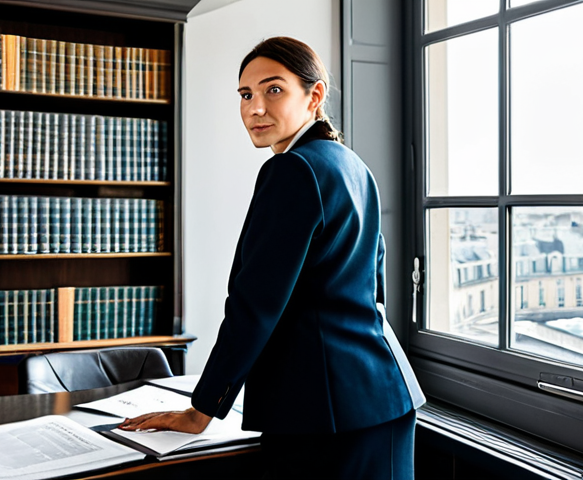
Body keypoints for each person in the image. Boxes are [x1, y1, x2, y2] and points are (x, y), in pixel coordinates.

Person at [120, 36, 425, 479]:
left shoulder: (293, 169)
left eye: (273, 90)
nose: (254, 108)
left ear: (314, 95)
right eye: (246, 94)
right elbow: (372, 289)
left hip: (324, 414)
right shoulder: (352, 165)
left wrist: (202, 410)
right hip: (384, 394)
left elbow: (255, 304)